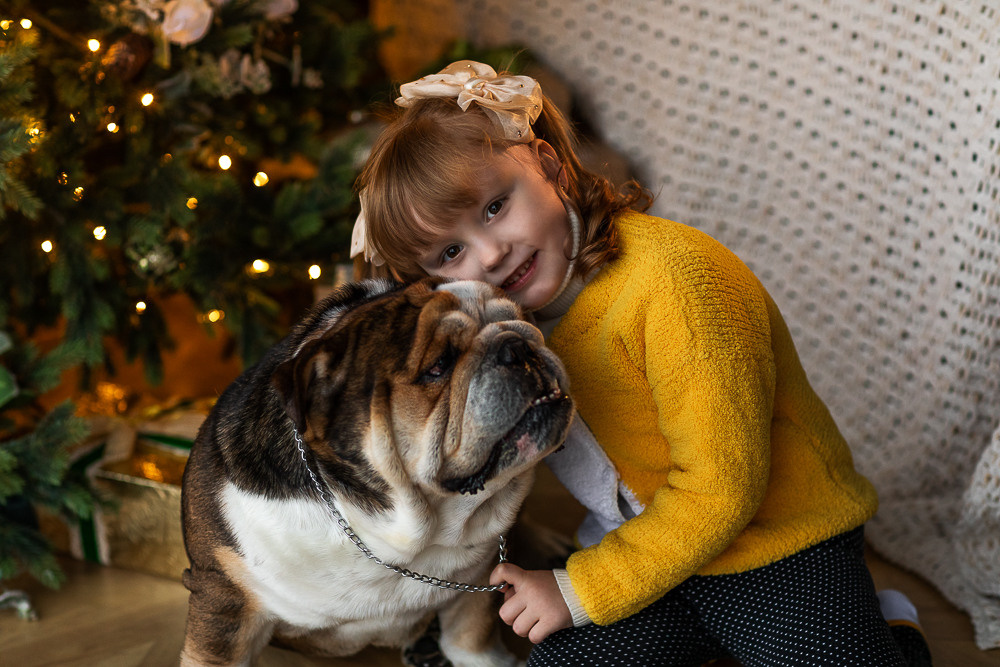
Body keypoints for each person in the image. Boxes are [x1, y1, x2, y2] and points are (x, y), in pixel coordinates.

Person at [351, 60, 933, 666]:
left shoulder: (677, 282)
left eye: (496, 206)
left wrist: (580, 590)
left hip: (775, 542)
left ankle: (894, 628)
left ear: (548, 167)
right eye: (452, 251)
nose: (492, 254)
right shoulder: (505, 326)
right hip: (646, 548)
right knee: (556, 661)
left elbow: (721, 489)